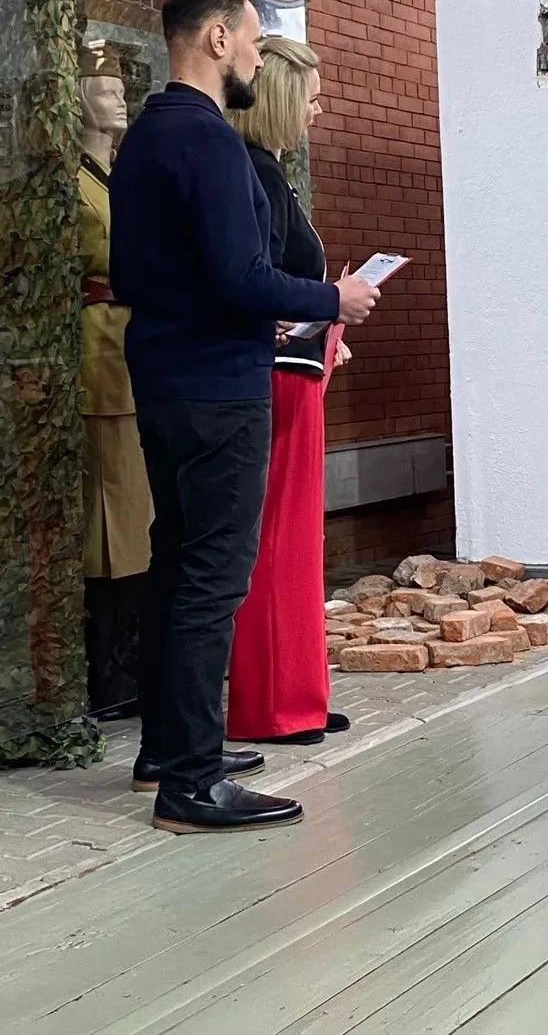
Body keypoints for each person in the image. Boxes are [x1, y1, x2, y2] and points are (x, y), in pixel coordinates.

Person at [109, 0, 380, 833]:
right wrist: (334, 300)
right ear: (217, 39)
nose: (261, 60)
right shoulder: (211, 141)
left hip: (161, 376)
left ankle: (167, 750)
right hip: (220, 386)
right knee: (212, 578)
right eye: (256, 43)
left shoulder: (146, 137)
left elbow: (140, 273)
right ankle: (190, 784)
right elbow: (242, 278)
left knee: (175, 561)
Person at [225, 37, 349, 746]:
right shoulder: (255, 176)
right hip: (278, 378)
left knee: (295, 540)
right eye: (310, 99)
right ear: (279, 99)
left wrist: (328, 323)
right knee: (277, 538)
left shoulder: (269, 174)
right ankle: (273, 702)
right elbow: (261, 286)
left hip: (295, 369)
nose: (316, 111)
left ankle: (298, 692)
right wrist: (331, 304)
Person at [77, 45, 151, 721]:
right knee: (109, 518)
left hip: (131, 352)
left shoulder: (117, 173)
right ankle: (104, 666)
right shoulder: (71, 182)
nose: (117, 97)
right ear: (77, 99)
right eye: (103, 88)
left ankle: (125, 655)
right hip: (97, 356)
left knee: (134, 516)